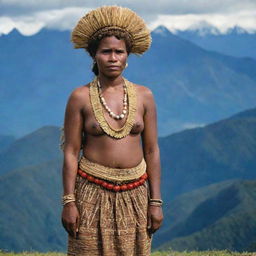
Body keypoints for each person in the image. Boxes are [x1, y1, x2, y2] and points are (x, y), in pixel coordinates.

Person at [61, 5, 163, 256]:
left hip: (136, 193)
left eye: (119, 52)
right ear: (94, 55)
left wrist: (155, 201)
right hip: (90, 193)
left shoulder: (144, 96)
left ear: (128, 56)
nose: (113, 58)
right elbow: (71, 152)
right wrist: (69, 201)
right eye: (106, 52)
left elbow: (151, 150)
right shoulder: (80, 97)